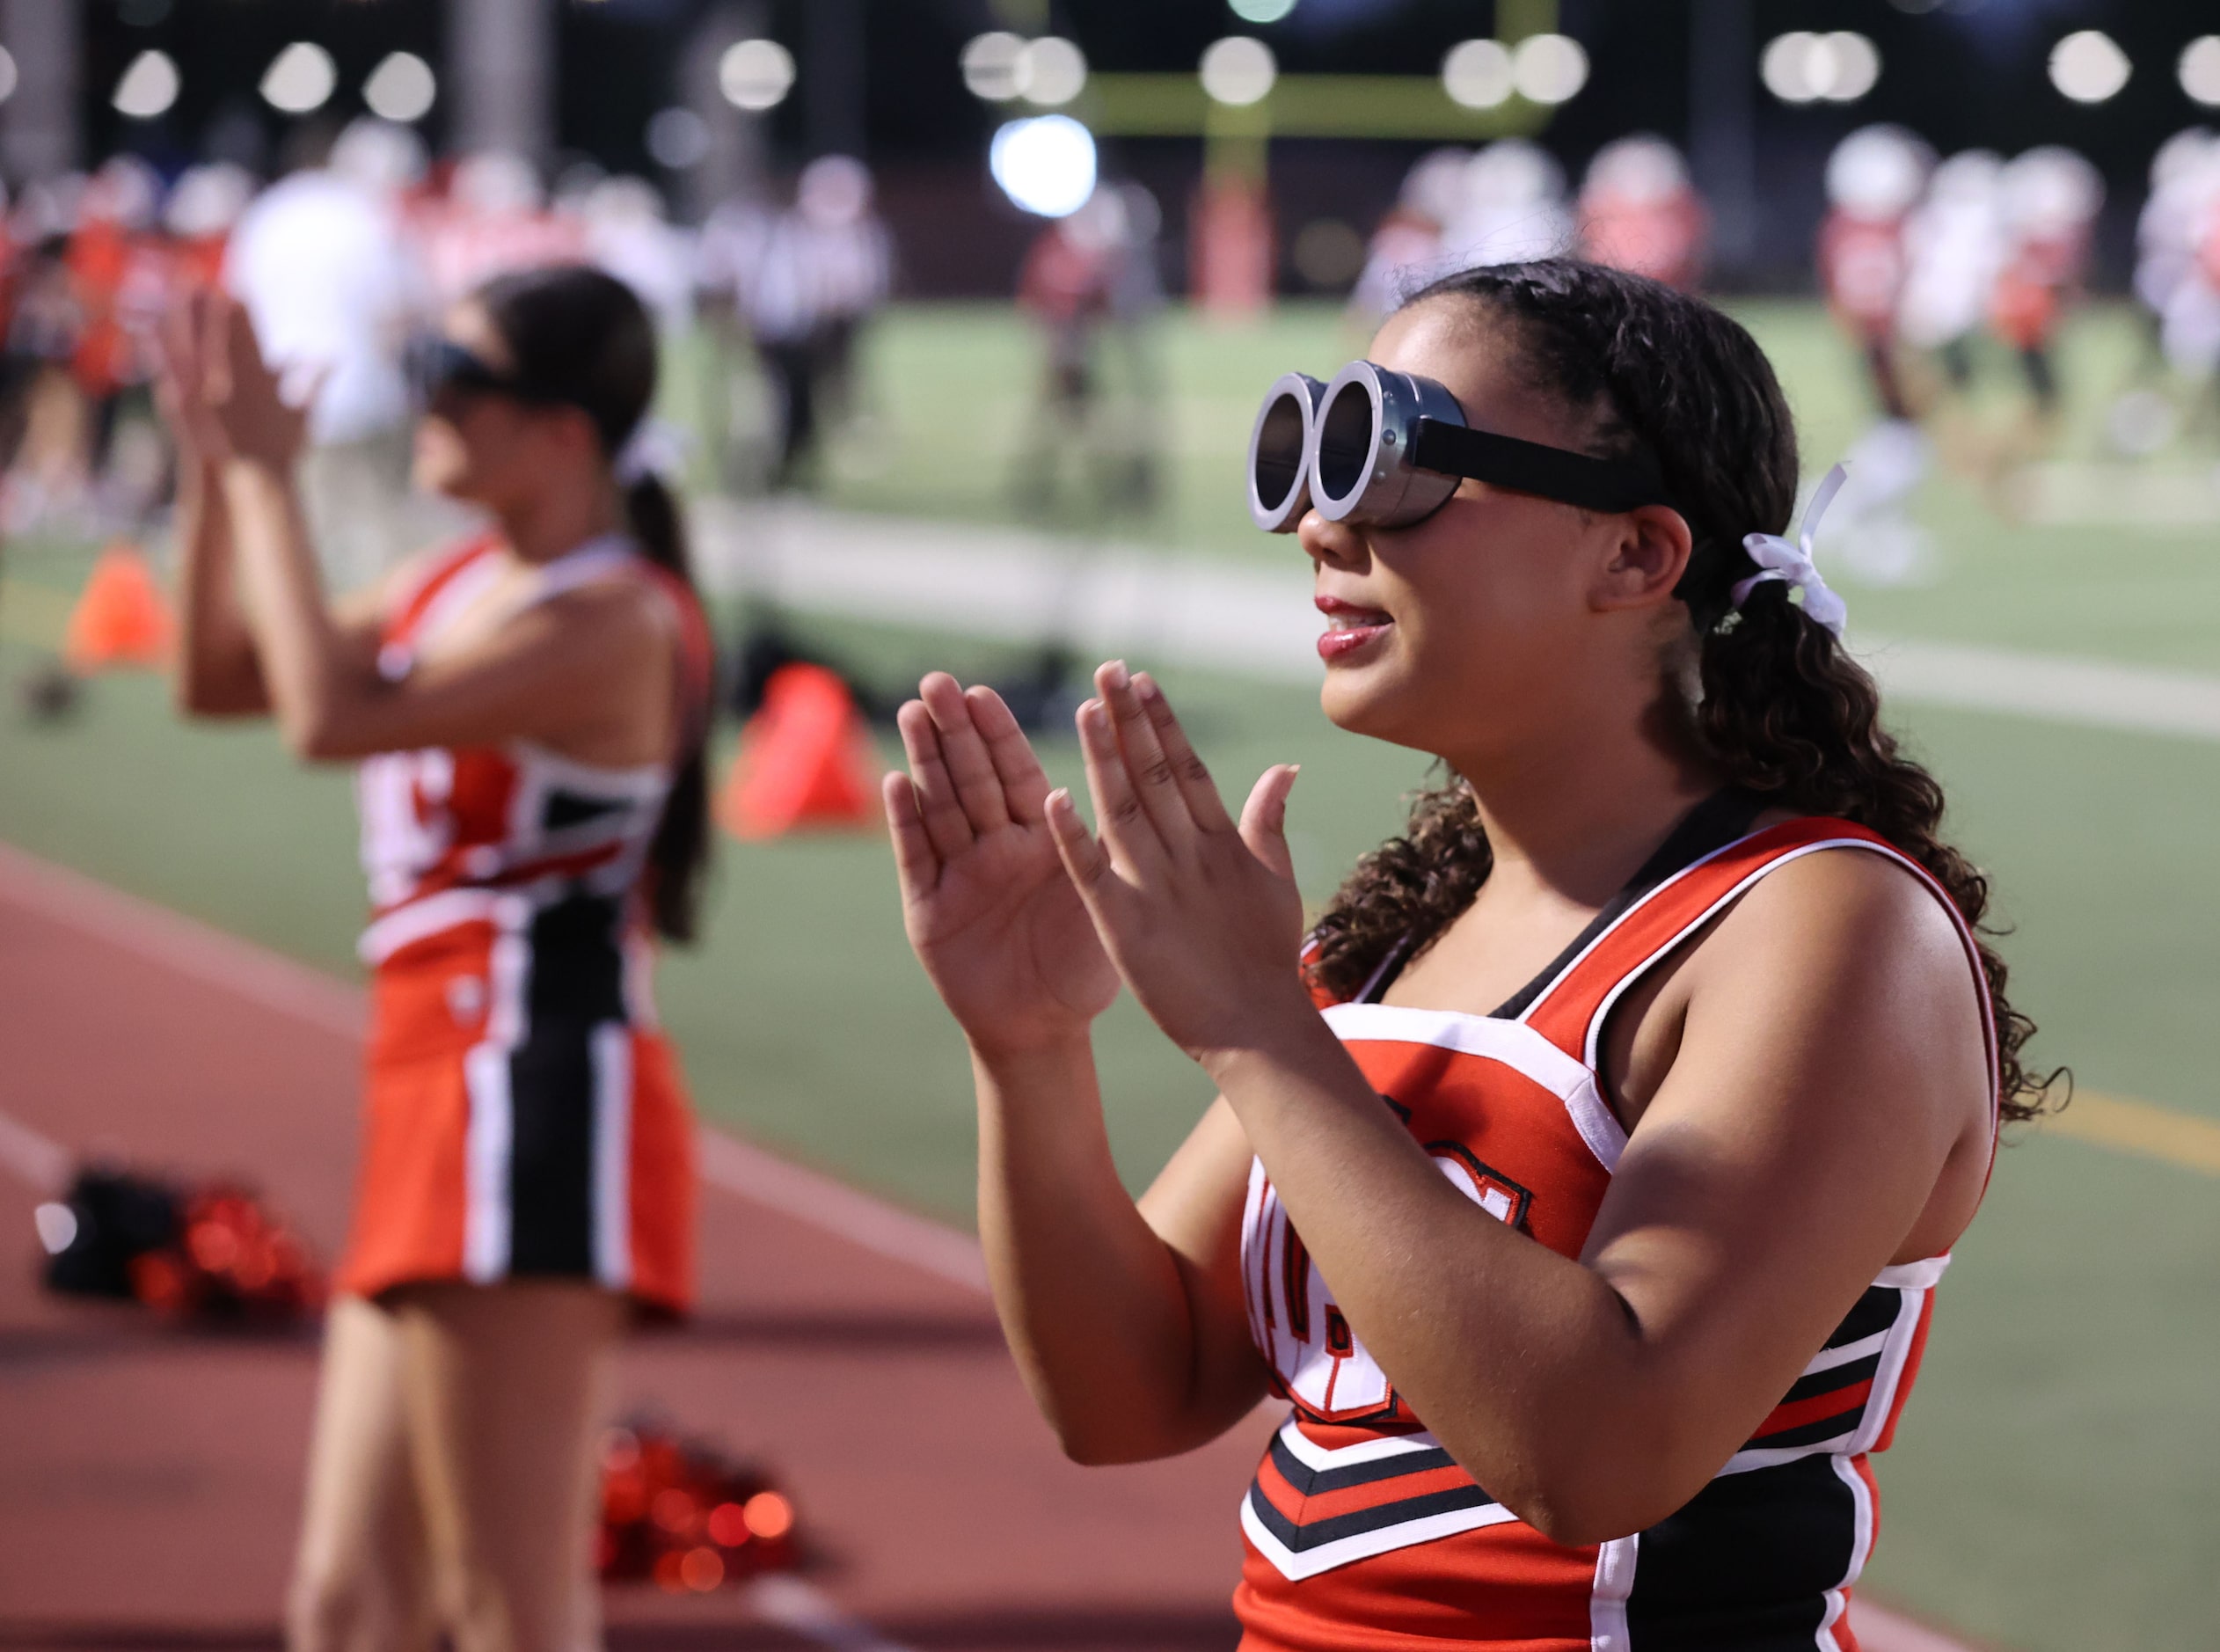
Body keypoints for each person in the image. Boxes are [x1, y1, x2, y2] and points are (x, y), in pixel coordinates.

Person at [887, 259, 2049, 1648]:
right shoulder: (1396, 940)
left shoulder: (1823, 921)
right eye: (1314, 459)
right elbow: (1132, 1390)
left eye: (1396, 465)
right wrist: (1028, 1049)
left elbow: (1598, 1452)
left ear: (1636, 554)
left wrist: (1262, 1034)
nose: (1322, 524)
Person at [158, 264, 712, 1652]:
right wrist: (217, 474)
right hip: (433, 1076)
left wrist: (275, 485)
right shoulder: (458, 574)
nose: (422, 405)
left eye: (452, 381)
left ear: (560, 433)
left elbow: (326, 720)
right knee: (349, 1606)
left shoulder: (613, 619)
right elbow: (224, 676)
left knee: (503, 1608)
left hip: (530, 1086)